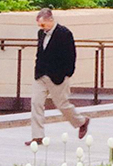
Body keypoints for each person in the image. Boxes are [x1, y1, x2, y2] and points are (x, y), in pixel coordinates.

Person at [29, 8, 87, 145]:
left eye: (43, 24)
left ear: (51, 20)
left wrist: (67, 74)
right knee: (36, 102)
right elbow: (40, 53)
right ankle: (37, 137)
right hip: (41, 75)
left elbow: (71, 56)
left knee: (62, 105)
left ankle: (82, 121)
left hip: (58, 77)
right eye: (39, 25)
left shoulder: (64, 34)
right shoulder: (41, 34)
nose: (41, 27)